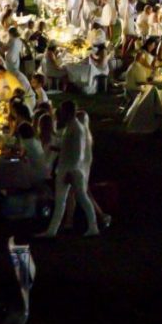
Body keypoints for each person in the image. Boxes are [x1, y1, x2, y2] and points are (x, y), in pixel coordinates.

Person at [38, 100, 100, 238]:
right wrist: (57, 148)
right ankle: (52, 231)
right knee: (65, 200)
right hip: (67, 168)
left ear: (67, 112)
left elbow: (78, 152)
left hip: (70, 169)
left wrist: (71, 171)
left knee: (79, 198)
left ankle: (92, 226)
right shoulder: (71, 127)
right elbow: (69, 147)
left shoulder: (76, 129)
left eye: (62, 111)